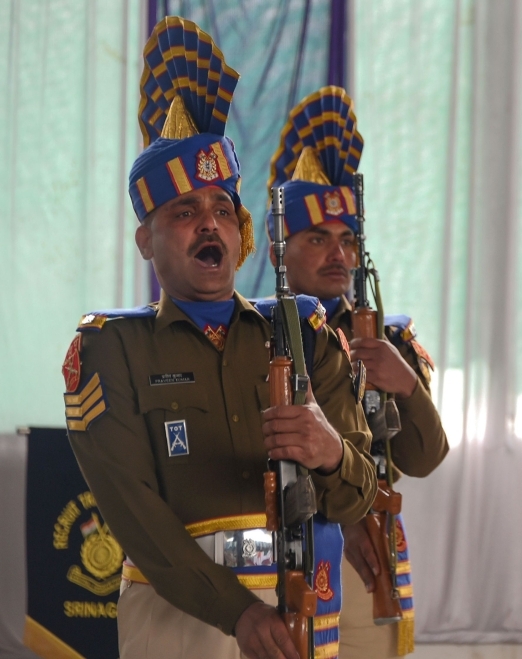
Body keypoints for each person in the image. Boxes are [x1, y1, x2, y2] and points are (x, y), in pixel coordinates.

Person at [63, 18, 375, 659]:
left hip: (300, 602)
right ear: (146, 239)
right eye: (184, 212)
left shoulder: (306, 335)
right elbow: (137, 515)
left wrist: (328, 452)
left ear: (242, 231)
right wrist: (236, 612)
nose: (210, 225)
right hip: (180, 618)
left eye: (222, 210)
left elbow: (359, 491)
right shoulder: (111, 350)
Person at [266, 86, 450, 658]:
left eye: (346, 241)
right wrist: (338, 511)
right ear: (279, 252)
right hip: (284, 550)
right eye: (317, 239)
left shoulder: (388, 337)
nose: (337, 255)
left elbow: (425, 457)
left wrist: (405, 384)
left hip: (373, 553)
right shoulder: (257, 334)